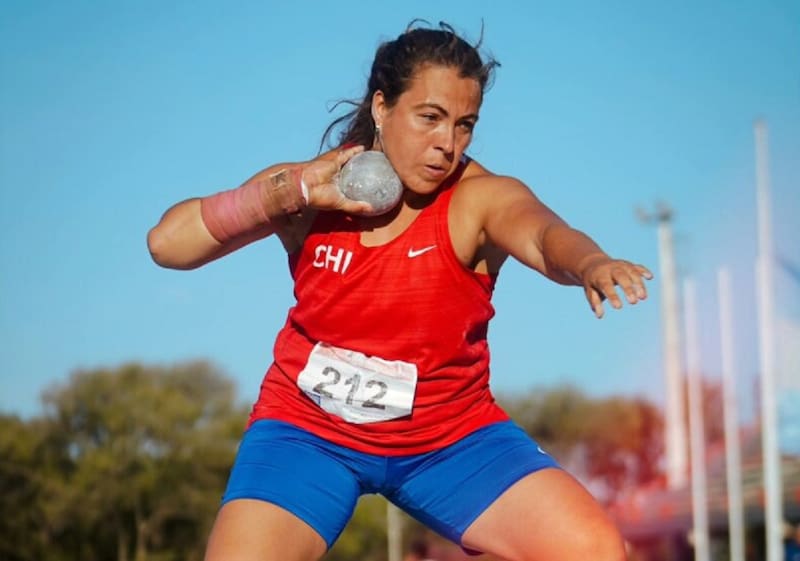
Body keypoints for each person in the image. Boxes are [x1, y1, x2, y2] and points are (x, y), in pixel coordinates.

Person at [147, 21, 652, 561]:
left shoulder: (477, 199)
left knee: (597, 550)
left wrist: (592, 262)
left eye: (465, 125)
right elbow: (168, 244)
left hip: (449, 439)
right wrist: (284, 194)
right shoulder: (311, 189)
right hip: (307, 432)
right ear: (382, 107)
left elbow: (546, 236)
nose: (447, 145)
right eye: (430, 118)